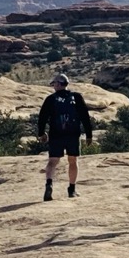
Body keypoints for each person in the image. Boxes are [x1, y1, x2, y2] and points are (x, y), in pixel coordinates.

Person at [37, 73, 93, 202]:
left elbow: (42, 117)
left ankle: (49, 184)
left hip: (56, 134)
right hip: (73, 134)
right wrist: (89, 135)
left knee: (52, 161)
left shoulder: (51, 99)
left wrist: (41, 133)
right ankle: (72, 189)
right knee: (73, 161)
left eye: (54, 83)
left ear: (58, 84)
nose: (53, 86)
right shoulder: (76, 97)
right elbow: (85, 117)